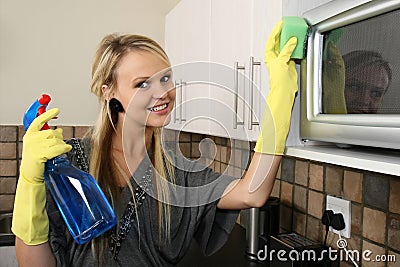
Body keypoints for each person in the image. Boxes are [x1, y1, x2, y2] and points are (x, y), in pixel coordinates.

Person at [12, 21, 298, 266]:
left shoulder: (178, 174)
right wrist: (29, 184)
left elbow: (253, 193)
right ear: (109, 92)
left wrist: (280, 99)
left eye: (165, 78)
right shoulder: (67, 163)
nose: (162, 93)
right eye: (142, 84)